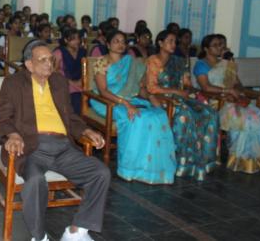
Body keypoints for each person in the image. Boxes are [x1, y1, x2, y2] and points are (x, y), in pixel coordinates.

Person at [0, 40, 109, 241]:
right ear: (29, 64)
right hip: (31, 148)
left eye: (51, 59)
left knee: (101, 173)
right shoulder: (14, 83)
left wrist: (86, 130)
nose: (49, 64)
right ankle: (39, 237)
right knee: (35, 181)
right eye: (43, 60)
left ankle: (77, 231)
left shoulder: (59, 82)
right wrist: (13, 135)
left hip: (63, 147)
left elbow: (70, 117)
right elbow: (2, 119)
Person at [91, 29, 176, 184]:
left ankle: (150, 167)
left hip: (130, 99)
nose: (120, 44)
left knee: (159, 114)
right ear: (108, 44)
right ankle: (130, 168)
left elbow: (140, 88)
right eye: (116, 41)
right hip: (108, 101)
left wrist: (151, 97)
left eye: (123, 42)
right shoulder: (101, 62)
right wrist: (125, 103)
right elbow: (103, 91)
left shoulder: (132, 62)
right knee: (137, 117)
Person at [145, 30, 219, 181]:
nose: (173, 45)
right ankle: (182, 162)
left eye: (175, 42)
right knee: (185, 115)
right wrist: (176, 91)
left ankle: (203, 162)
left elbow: (187, 84)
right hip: (162, 99)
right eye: (170, 41)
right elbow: (151, 88)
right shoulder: (153, 61)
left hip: (181, 97)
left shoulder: (179, 61)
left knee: (210, 113)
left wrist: (192, 91)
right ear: (160, 43)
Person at [193, 34, 260, 174]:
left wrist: (240, 94)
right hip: (214, 101)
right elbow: (206, 87)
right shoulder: (201, 65)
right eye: (215, 45)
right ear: (206, 49)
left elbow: (238, 84)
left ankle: (252, 161)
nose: (219, 48)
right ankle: (239, 160)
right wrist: (227, 91)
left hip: (232, 99)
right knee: (245, 121)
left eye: (221, 45)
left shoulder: (227, 64)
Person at [53, 28, 86, 115]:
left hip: (81, 82)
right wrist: (71, 82)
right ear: (66, 40)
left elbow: (86, 69)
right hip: (64, 82)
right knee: (76, 100)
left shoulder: (82, 51)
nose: (77, 41)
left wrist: (82, 80)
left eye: (78, 38)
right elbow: (53, 72)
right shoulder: (59, 52)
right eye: (73, 39)